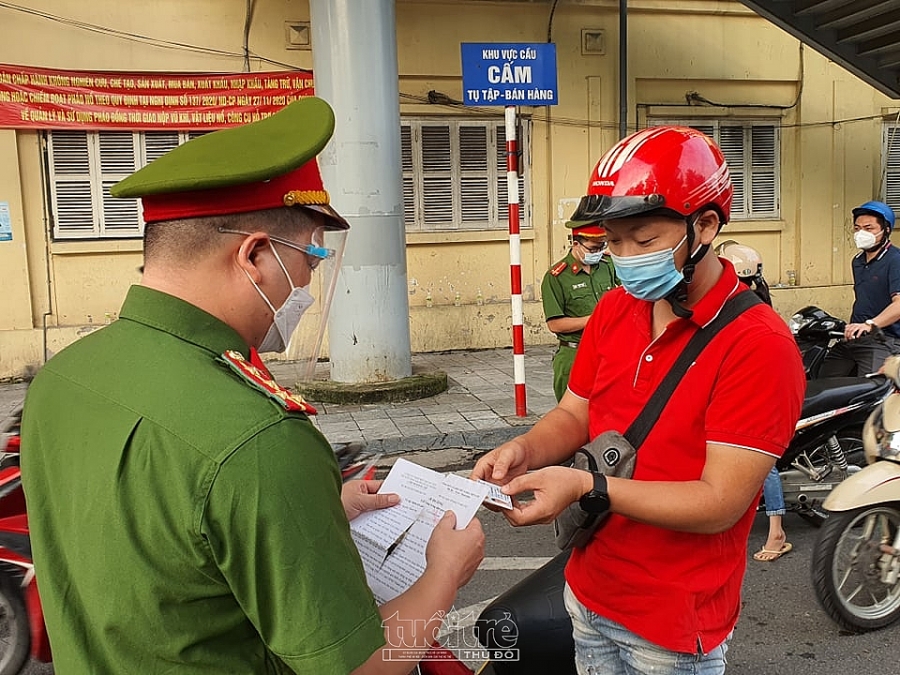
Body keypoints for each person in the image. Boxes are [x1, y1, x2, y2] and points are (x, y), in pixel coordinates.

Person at [20, 98, 484, 675]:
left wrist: (313, 512)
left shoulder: (64, 376)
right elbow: (362, 668)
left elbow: (153, 544)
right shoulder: (258, 438)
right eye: (311, 260)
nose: (310, 287)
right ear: (255, 255)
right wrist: (446, 570)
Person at [472, 126, 806, 675]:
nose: (624, 259)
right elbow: (576, 411)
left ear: (704, 225)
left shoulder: (758, 346)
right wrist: (525, 450)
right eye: (612, 241)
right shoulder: (614, 310)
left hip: (671, 625)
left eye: (644, 240)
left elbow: (720, 502)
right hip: (587, 588)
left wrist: (586, 485)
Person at [716, 240, 791, 562]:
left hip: (759, 396)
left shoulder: (749, 312)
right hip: (737, 391)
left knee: (762, 462)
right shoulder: (743, 301)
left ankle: (776, 530)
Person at [820, 200, 900, 377]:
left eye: (868, 228)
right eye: (857, 228)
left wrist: (869, 325)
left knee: (870, 390)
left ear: (886, 229)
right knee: (823, 381)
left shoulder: (895, 260)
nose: (861, 233)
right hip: (855, 337)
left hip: (884, 339)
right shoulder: (857, 261)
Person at [541, 221, 618, 400]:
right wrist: (596, 319)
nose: (597, 252)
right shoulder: (557, 277)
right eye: (593, 249)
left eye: (602, 247)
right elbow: (555, 324)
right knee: (573, 417)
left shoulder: (607, 266)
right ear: (576, 244)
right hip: (575, 354)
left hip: (607, 352)